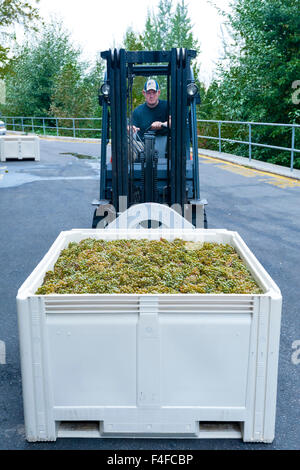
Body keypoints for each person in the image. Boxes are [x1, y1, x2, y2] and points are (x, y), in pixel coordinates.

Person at [130, 79, 170, 158]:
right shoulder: (137, 111)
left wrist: (162, 124)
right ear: (144, 93)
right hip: (143, 145)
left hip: (166, 145)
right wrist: (130, 129)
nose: (151, 96)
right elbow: (132, 127)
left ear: (158, 92)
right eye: (148, 93)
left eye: (154, 92)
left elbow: (175, 121)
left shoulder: (168, 106)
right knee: (128, 145)